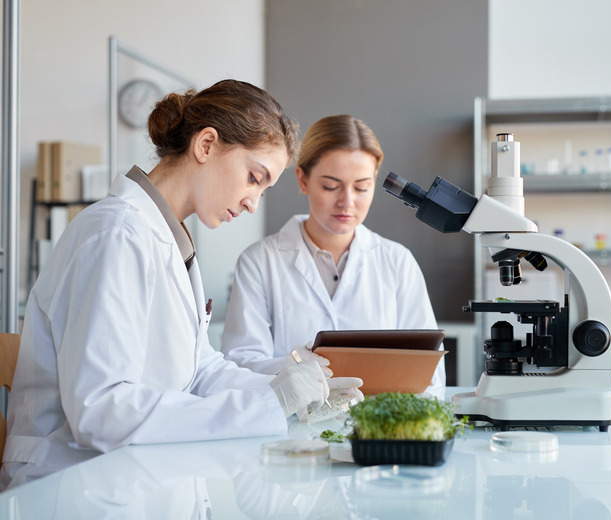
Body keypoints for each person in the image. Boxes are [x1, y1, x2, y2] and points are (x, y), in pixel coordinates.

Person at [0, 80, 360, 490]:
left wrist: (291, 385)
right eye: (253, 178)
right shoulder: (118, 234)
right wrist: (270, 402)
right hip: (71, 488)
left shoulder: (168, 239)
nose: (252, 202)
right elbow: (100, 411)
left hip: (131, 478)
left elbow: (199, 371)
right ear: (206, 145)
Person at [221, 115, 445, 395]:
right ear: (302, 180)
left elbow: (430, 374)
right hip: (292, 430)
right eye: (330, 186)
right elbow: (238, 365)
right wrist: (293, 365)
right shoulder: (259, 262)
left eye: (362, 187)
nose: (347, 202)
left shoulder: (398, 262)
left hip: (376, 427)